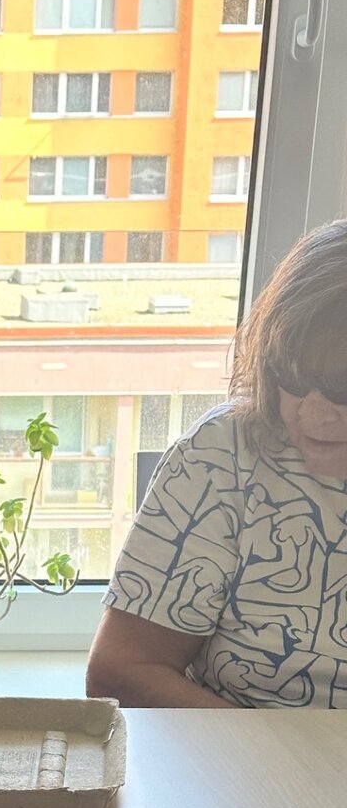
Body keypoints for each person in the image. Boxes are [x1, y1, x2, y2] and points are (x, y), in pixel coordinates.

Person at [87, 218, 347, 708]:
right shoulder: (225, 453)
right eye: (291, 375)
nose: (311, 414)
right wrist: (261, 752)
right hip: (233, 748)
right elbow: (120, 674)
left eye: (341, 388)